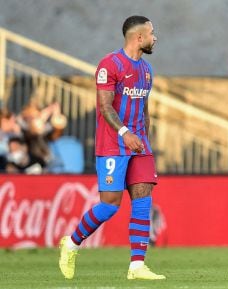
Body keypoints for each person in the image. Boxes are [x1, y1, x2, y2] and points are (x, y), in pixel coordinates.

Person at [58, 15, 165, 281]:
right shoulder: (110, 64)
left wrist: (144, 141)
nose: (155, 37)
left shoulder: (147, 69)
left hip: (139, 144)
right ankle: (71, 243)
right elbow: (105, 107)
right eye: (152, 33)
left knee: (143, 197)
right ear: (139, 37)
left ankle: (137, 266)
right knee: (110, 205)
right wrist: (125, 133)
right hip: (113, 144)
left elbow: (144, 109)